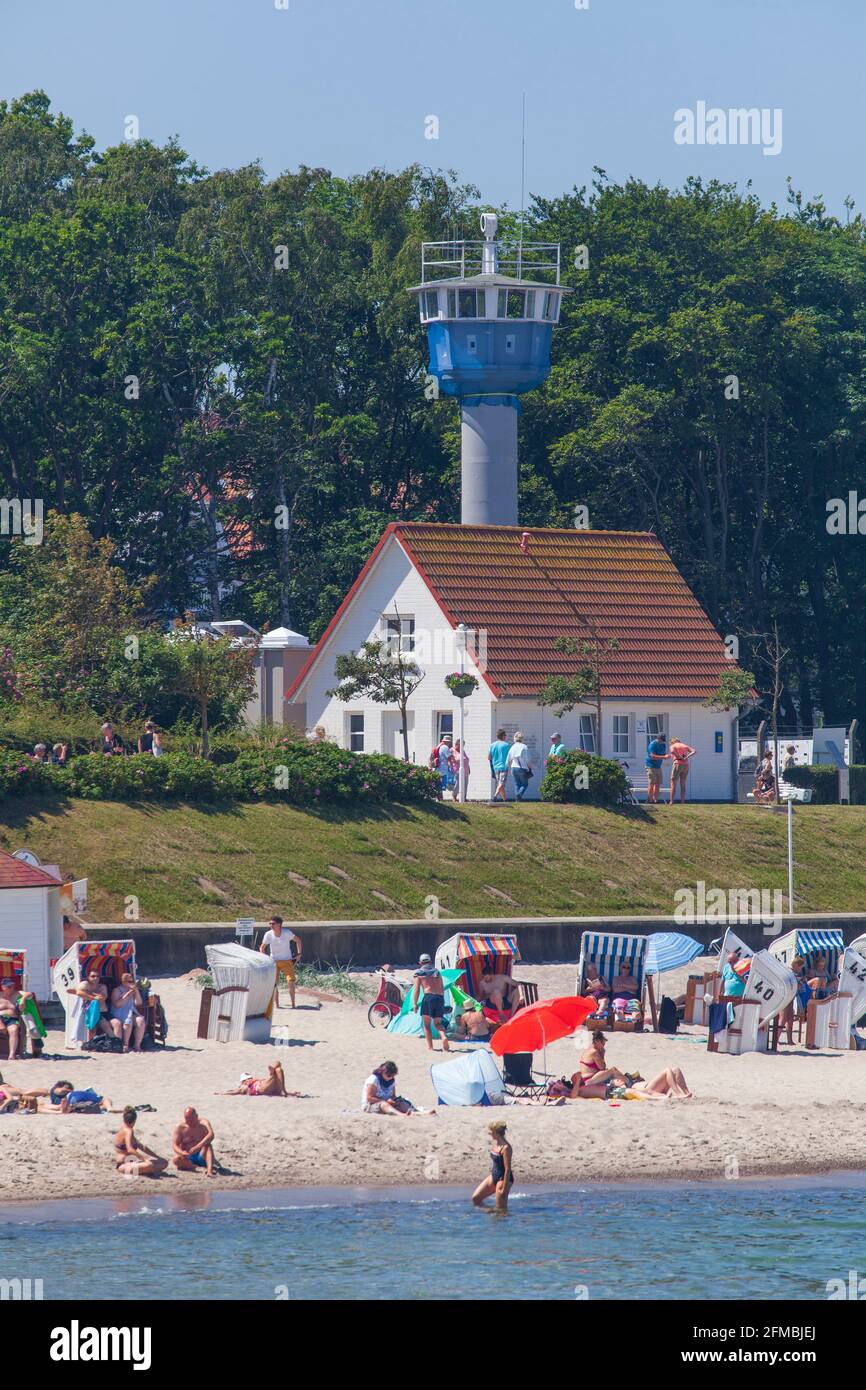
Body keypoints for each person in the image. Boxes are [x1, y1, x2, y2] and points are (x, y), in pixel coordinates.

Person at [259, 915, 302, 1008]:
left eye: (273, 923)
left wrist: (299, 954)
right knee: (274, 984)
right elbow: (262, 947)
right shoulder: (268, 934)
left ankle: (293, 1004)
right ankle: (277, 1005)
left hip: (287, 961)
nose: (271, 925)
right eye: (270, 923)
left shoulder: (287, 933)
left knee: (291, 982)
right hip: (273, 961)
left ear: (279, 924)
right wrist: (265, 959)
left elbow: (298, 940)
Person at [113, 1107, 168, 1177]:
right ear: (134, 1120)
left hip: (133, 1163)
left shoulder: (126, 1130)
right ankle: (145, 1170)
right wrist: (144, 1159)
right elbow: (130, 1149)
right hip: (123, 1165)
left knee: (164, 1162)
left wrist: (157, 1157)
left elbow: (141, 1147)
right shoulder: (128, 1131)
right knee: (149, 1165)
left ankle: (143, 1170)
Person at [411, 953, 450, 1051]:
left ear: (420, 963)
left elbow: (416, 990)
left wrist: (415, 1004)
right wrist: (442, 1002)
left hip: (428, 998)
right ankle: (443, 1036)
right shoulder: (437, 972)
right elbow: (441, 987)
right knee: (438, 1023)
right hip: (439, 998)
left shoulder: (419, 973)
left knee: (427, 1025)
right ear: (430, 961)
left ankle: (430, 1047)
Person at [472, 1121, 513, 1210]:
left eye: (491, 1131)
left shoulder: (506, 1148)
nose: (489, 1133)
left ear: (496, 1132)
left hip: (503, 1179)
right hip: (494, 1175)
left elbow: (507, 1169)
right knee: (476, 1198)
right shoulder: (496, 1143)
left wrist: (504, 1189)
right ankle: (492, 1213)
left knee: (501, 1209)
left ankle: (500, 1219)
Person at [67, 968, 114, 1041]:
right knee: (93, 1026)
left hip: (101, 1012)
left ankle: (117, 1043)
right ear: (88, 977)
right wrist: (94, 997)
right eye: (93, 976)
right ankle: (92, 1042)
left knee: (111, 1025)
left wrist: (87, 994)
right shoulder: (85, 983)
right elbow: (79, 992)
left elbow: (103, 997)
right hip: (88, 1011)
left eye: (97, 976)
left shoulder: (102, 986)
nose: (96, 978)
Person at [172, 1107, 217, 1176]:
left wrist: (198, 1146)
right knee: (176, 1160)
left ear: (196, 1116)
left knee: (208, 1145)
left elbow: (211, 1135)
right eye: (187, 1120)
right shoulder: (180, 1127)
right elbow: (175, 1145)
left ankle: (209, 1170)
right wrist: (182, 1152)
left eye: (192, 1120)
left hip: (201, 1154)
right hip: (188, 1157)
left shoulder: (203, 1123)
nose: (190, 1122)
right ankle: (193, 1166)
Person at [0, 978, 37, 1058]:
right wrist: (1, 1024)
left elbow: (30, 994)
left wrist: (23, 999)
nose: (11, 988)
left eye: (12, 986)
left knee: (14, 1030)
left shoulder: (16, 994)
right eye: (9, 987)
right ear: (3, 987)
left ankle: (12, 1054)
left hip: (11, 1019)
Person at [110, 973, 146, 1052]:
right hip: (118, 1012)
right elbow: (117, 1005)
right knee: (128, 1021)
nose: (131, 983)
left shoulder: (134, 990)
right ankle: (125, 1044)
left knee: (140, 1020)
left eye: (132, 981)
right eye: (128, 981)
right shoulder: (117, 990)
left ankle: (137, 1045)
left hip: (130, 1011)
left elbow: (138, 1003)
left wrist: (136, 991)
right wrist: (127, 994)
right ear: (123, 982)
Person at [221, 1062, 301, 1097]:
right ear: (243, 1082)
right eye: (247, 1079)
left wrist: (290, 1093)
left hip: (272, 1088)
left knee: (279, 1070)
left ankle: (284, 1091)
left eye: (250, 1078)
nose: (249, 1080)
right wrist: (222, 1093)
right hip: (261, 1087)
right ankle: (271, 1071)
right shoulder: (243, 1086)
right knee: (277, 1066)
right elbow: (235, 1092)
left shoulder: (254, 1081)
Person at [39, 1080, 114, 1113]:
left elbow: (60, 1091)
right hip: (73, 1099)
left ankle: (107, 1108)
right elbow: (105, 1099)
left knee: (44, 1106)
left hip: (72, 1101)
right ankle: (108, 1108)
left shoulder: (54, 1091)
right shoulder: (55, 1090)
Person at [668, 737, 696, 803]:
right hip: (686, 765)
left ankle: (671, 801)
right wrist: (686, 757)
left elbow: (672, 751)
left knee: (673, 783)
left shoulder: (673, 745)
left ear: (673, 741)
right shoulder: (684, 745)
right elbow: (694, 751)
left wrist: (678, 756)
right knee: (683, 783)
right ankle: (682, 801)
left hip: (677, 763)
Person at [506, 731, 533, 801]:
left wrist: (508, 768)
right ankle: (519, 795)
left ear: (514, 738)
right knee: (525, 784)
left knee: (517, 784)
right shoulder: (524, 747)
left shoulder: (512, 747)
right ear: (522, 739)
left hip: (513, 768)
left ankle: (517, 799)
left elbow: (508, 759)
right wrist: (530, 767)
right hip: (522, 768)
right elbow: (528, 759)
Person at [488, 727, 511, 804]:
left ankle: (505, 800)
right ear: (503, 736)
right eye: (505, 735)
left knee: (500, 784)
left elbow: (489, 757)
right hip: (504, 766)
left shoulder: (492, 745)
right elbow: (510, 756)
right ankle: (494, 797)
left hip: (495, 767)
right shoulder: (507, 745)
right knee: (501, 783)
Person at [645, 732, 669, 804]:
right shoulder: (652, 745)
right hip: (651, 766)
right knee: (652, 783)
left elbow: (663, 754)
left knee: (658, 783)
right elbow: (652, 756)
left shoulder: (663, 745)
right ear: (658, 738)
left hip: (658, 766)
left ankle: (655, 800)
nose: (662, 741)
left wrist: (668, 755)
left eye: (663, 740)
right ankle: (649, 800)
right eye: (661, 740)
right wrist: (664, 757)